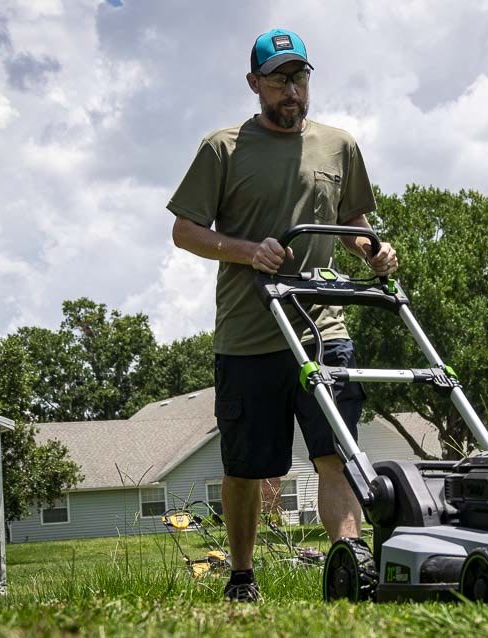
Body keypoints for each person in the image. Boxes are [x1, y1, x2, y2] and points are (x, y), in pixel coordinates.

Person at [167, 28, 398, 602]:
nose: (291, 92)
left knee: (334, 456)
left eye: (299, 79)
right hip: (249, 333)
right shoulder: (222, 148)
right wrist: (248, 250)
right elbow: (184, 230)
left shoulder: (339, 146)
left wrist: (376, 252)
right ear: (255, 85)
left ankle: (351, 567)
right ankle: (242, 576)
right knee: (247, 468)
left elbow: (354, 226)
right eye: (279, 81)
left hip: (323, 325)